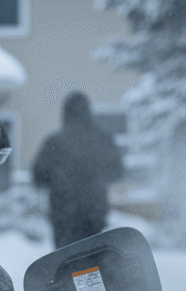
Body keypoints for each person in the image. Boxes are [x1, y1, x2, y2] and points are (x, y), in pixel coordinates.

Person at [31, 91, 124, 249]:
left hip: (63, 216)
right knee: (93, 260)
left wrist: (58, 180)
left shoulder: (54, 143)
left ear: (65, 113)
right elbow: (117, 171)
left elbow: (38, 176)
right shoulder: (102, 140)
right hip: (94, 215)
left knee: (66, 262)